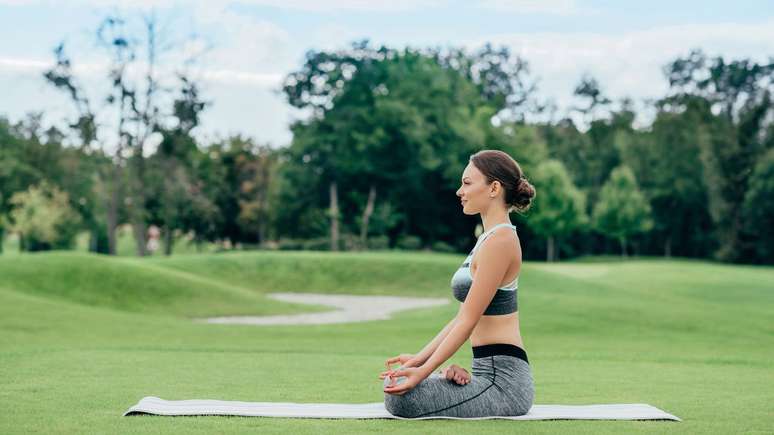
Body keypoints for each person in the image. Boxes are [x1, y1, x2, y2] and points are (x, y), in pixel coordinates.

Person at [379, 149, 537, 418]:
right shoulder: (488, 239)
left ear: (494, 188)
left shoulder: (501, 241)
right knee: (397, 382)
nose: (459, 191)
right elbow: (461, 318)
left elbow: (467, 322)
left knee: (403, 399)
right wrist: (419, 360)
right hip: (485, 374)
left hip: (505, 384)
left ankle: (445, 378)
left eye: (466, 183)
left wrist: (423, 372)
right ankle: (451, 376)